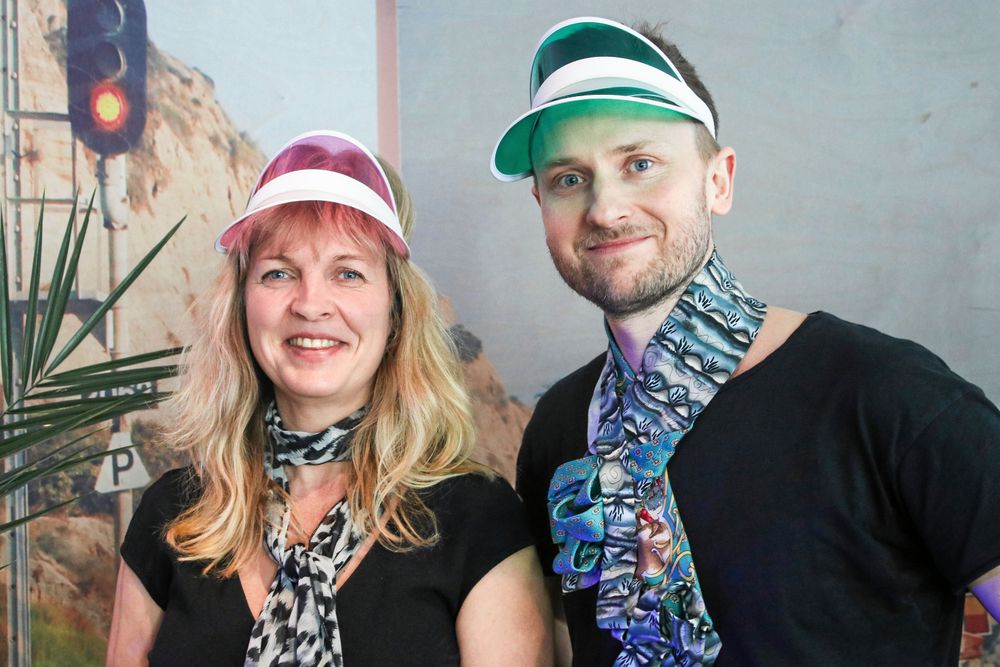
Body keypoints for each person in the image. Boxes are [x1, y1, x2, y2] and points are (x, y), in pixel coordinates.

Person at [492, 16, 1000, 666]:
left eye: (640, 164)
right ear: (541, 205)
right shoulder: (560, 428)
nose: (605, 208)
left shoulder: (887, 395)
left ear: (719, 181)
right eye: (568, 178)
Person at [108, 130, 553, 666]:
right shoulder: (173, 514)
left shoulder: (476, 519)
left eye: (348, 273)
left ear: (395, 311)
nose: (311, 304)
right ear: (242, 306)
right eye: (278, 272)